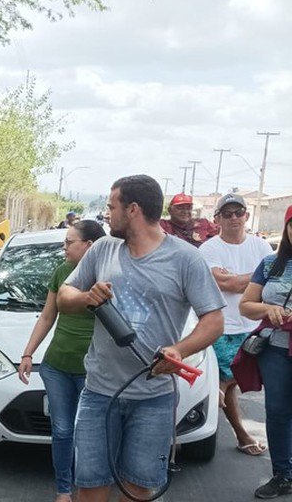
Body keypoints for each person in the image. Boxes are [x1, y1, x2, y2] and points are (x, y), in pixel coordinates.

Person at [57, 175, 224, 502]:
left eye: (111, 206)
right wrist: (86, 297)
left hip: (154, 398)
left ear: (132, 209)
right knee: (90, 484)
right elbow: (64, 297)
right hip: (98, 392)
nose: (107, 214)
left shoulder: (185, 258)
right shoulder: (103, 248)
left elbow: (214, 321)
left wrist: (178, 349)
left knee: (138, 489)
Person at [18, 219, 106, 502]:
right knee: (63, 430)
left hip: (92, 371)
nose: (64, 247)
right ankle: (64, 490)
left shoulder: (108, 277)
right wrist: (28, 353)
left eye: (70, 242)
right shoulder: (62, 272)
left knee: (89, 434)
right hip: (56, 366)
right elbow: (47, 316)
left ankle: (88, 489)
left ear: (90, 246)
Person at [199, 193, 273, 457]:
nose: (233, 218)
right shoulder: (208, 250)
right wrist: (256, 279)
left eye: (238, 212)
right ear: (217, 218)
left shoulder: (262, 247)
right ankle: (240, 435)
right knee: (229, 378)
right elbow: (226, 285)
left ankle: (214, 397)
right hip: (223, 327)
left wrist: (238, 280)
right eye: (227, 213)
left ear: (247, 215)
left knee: (237, 380)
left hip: (255, 324)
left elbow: (269, 282)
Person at [239, 204, 292, 499]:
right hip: (275, 350)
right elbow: (245, 305)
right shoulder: (271, 264)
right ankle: (283, 475)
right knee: (278, 412)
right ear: (286, 229)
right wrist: (269, 308)